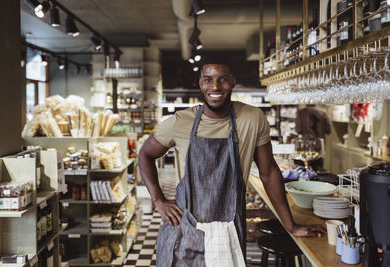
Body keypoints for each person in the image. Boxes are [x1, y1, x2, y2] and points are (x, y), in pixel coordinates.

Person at [138, 56, 326, 266]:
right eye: (208, 79)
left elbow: (269, 172)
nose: (215, 86)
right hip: (185, 230)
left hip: (229, 231)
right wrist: (158, 200)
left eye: (223, 79)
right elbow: (145, 154)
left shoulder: (253, 118)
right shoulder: (179, 122)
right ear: (200, 83)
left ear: (233, 82)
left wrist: (290, 225)